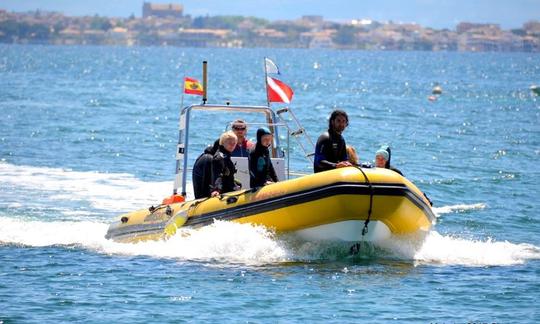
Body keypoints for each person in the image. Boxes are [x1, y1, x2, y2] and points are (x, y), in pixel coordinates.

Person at [211, 131, 240, 197]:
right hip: (224, 190)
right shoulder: (219, 157)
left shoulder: (226, 155)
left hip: (230, 187)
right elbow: (218, 174)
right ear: (223, 143)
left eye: (234, 143)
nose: (232, 145)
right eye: (230, 143)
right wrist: (216, 189)